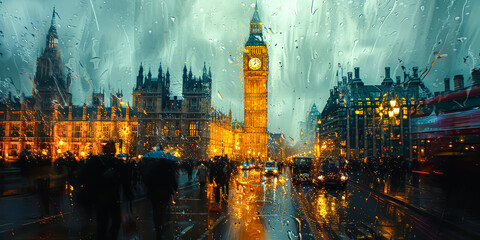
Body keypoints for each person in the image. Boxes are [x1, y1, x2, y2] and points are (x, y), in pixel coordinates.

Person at [78, 141, 132, 240]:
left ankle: (103, 236)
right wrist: (128, 195)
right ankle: (110, 236)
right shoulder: (116, 163)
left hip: (101, 196)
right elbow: (125, 181)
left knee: (103, 221)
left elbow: (83, 177)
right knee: (114, 221)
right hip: (110, 197)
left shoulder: (94, 161)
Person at [141, 156, 178, 240]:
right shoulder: (168, 168)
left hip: (154, 192)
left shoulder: (153, 168)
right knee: (163, 207)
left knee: (155, 209)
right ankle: (161, 221)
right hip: (165, 191)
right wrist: (174, 187)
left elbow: (147, 179)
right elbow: (172, 180)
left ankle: (157, 225)